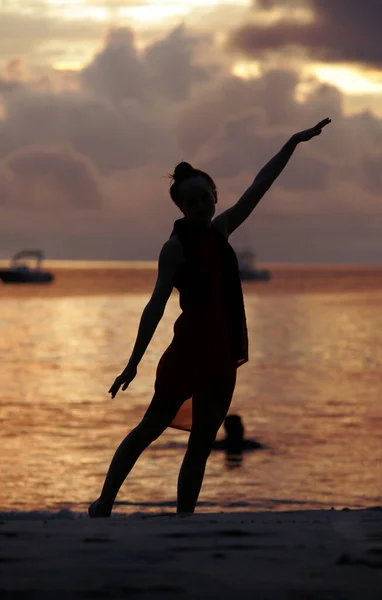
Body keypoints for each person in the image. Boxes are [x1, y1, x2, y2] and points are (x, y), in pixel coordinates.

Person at [88, 117, 331, 517]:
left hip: (221, 354)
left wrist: (292, 143)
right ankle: (105, 502)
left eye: (205, 197)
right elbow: (154, 307)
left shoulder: (221, 230)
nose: (200, 206)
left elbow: (259, 186)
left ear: (214, 195)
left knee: (201, 444)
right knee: (149, 428)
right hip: (187, 353)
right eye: (191, 202)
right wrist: (132, 363)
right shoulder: (175, 248)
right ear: (182, 208)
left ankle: (185, 520)